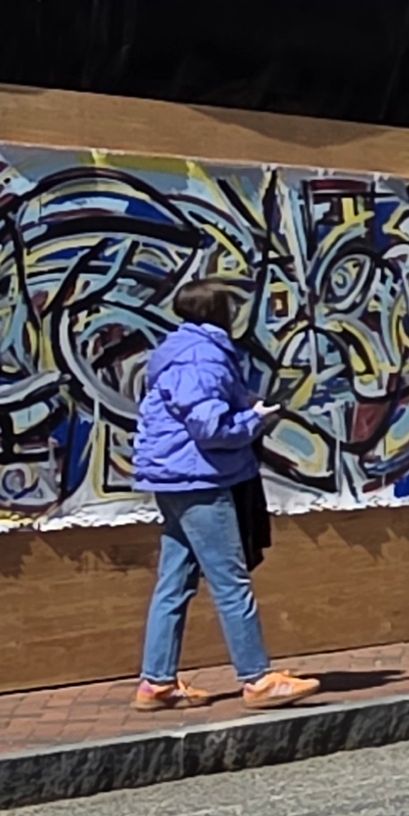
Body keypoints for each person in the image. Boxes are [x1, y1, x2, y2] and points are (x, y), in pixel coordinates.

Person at [132, 277, 318, 710]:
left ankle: (156, 683)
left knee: (174, 582)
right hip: (202, 479)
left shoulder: (180, 350)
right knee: (230, 579)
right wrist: (255, 420)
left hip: (176, 477)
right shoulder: (203, 356)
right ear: (218, 312)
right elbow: (210, 426)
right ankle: (257, 679)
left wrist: (245, 405)